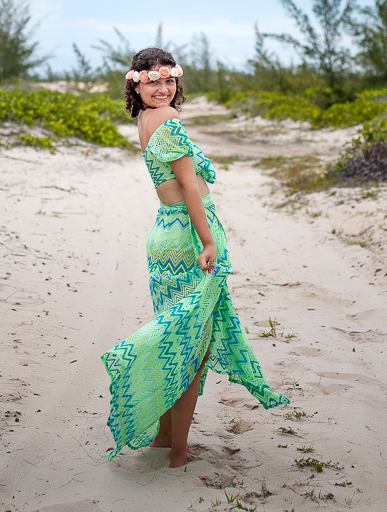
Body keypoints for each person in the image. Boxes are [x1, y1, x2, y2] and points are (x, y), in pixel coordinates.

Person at [101, 47, 289, 468]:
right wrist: (207, 241)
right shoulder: (168, 120)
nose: (163, 89)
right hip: (185, 236)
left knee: (177, 339)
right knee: (192, 348)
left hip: (165, 233)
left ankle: (165, 438)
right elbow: (189, 187)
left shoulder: (145, 120)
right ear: (136, 83)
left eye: (169, 81)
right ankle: (180, 455)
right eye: (153, 81)